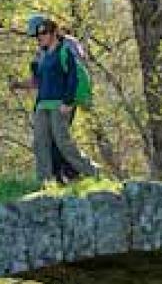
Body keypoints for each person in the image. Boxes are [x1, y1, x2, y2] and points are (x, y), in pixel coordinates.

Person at [9, 15, 99, 187]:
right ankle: (49, 181)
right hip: (44, 103)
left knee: (61, 142)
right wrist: (19, 85)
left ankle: (87, 173)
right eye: (36, 36)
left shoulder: (68, 47)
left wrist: (69, 101)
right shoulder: (41, 54)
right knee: (42, 143)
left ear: (49, 31)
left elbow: (74, 75)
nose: (37, 39)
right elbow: (39, 81)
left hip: (63, 101)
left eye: (40, 34)